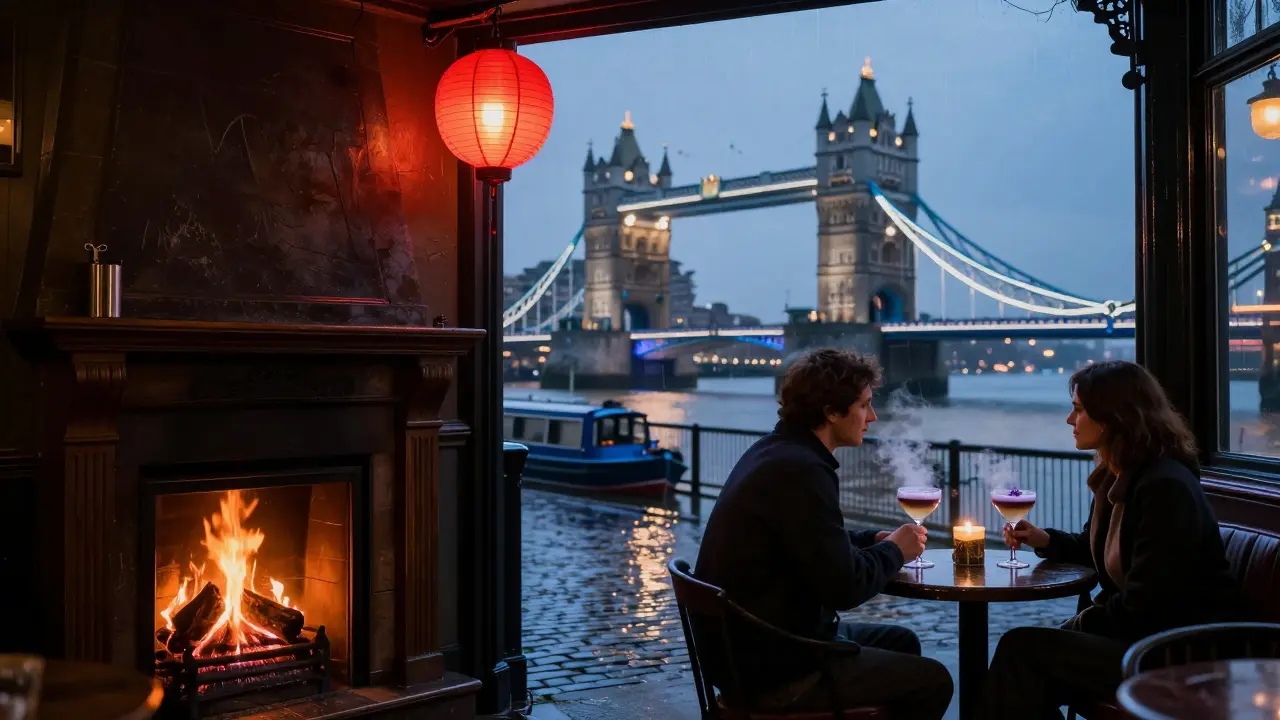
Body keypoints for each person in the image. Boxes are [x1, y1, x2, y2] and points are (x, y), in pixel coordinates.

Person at [693, 348, 954, 719]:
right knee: (934, 681)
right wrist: (896, 551)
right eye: (864, 406)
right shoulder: (802, 471)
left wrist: (869, 541)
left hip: (745, 649)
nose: (873, 417)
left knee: (902, 641)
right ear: (831, 411)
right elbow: (844, 586)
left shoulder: (776, 452)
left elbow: (808, 542)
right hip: (775, 667)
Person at [981, 360, 1238, 719]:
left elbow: (1149, 602)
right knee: (1023, 658)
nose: (1070, 421)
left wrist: (1083, 622)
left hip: (1176, 649)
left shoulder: (1166, 487)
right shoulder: (1115, 475)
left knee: (1021, 652)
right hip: (1139, 638)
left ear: (1114, 416)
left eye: (1079, 410)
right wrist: (1043, 539)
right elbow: (1098, 548)